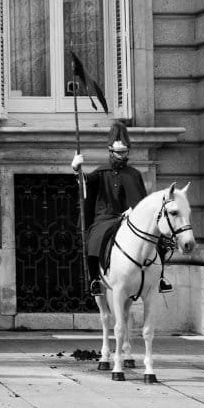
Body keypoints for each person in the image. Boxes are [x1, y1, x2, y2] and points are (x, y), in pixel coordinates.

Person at [72, 121, 171, 295]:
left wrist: (134, 210)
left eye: (124, 152)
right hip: (106, 218)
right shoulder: (101, 172)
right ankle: (95, 279)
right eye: (118, 153)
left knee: (159, 237)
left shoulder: (133, 174)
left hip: (131, 219)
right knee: (96, 238)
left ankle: (160, 277)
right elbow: (85, 183)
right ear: (111, 152)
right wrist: (76, 169)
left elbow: (142, 203)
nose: (122, 156)